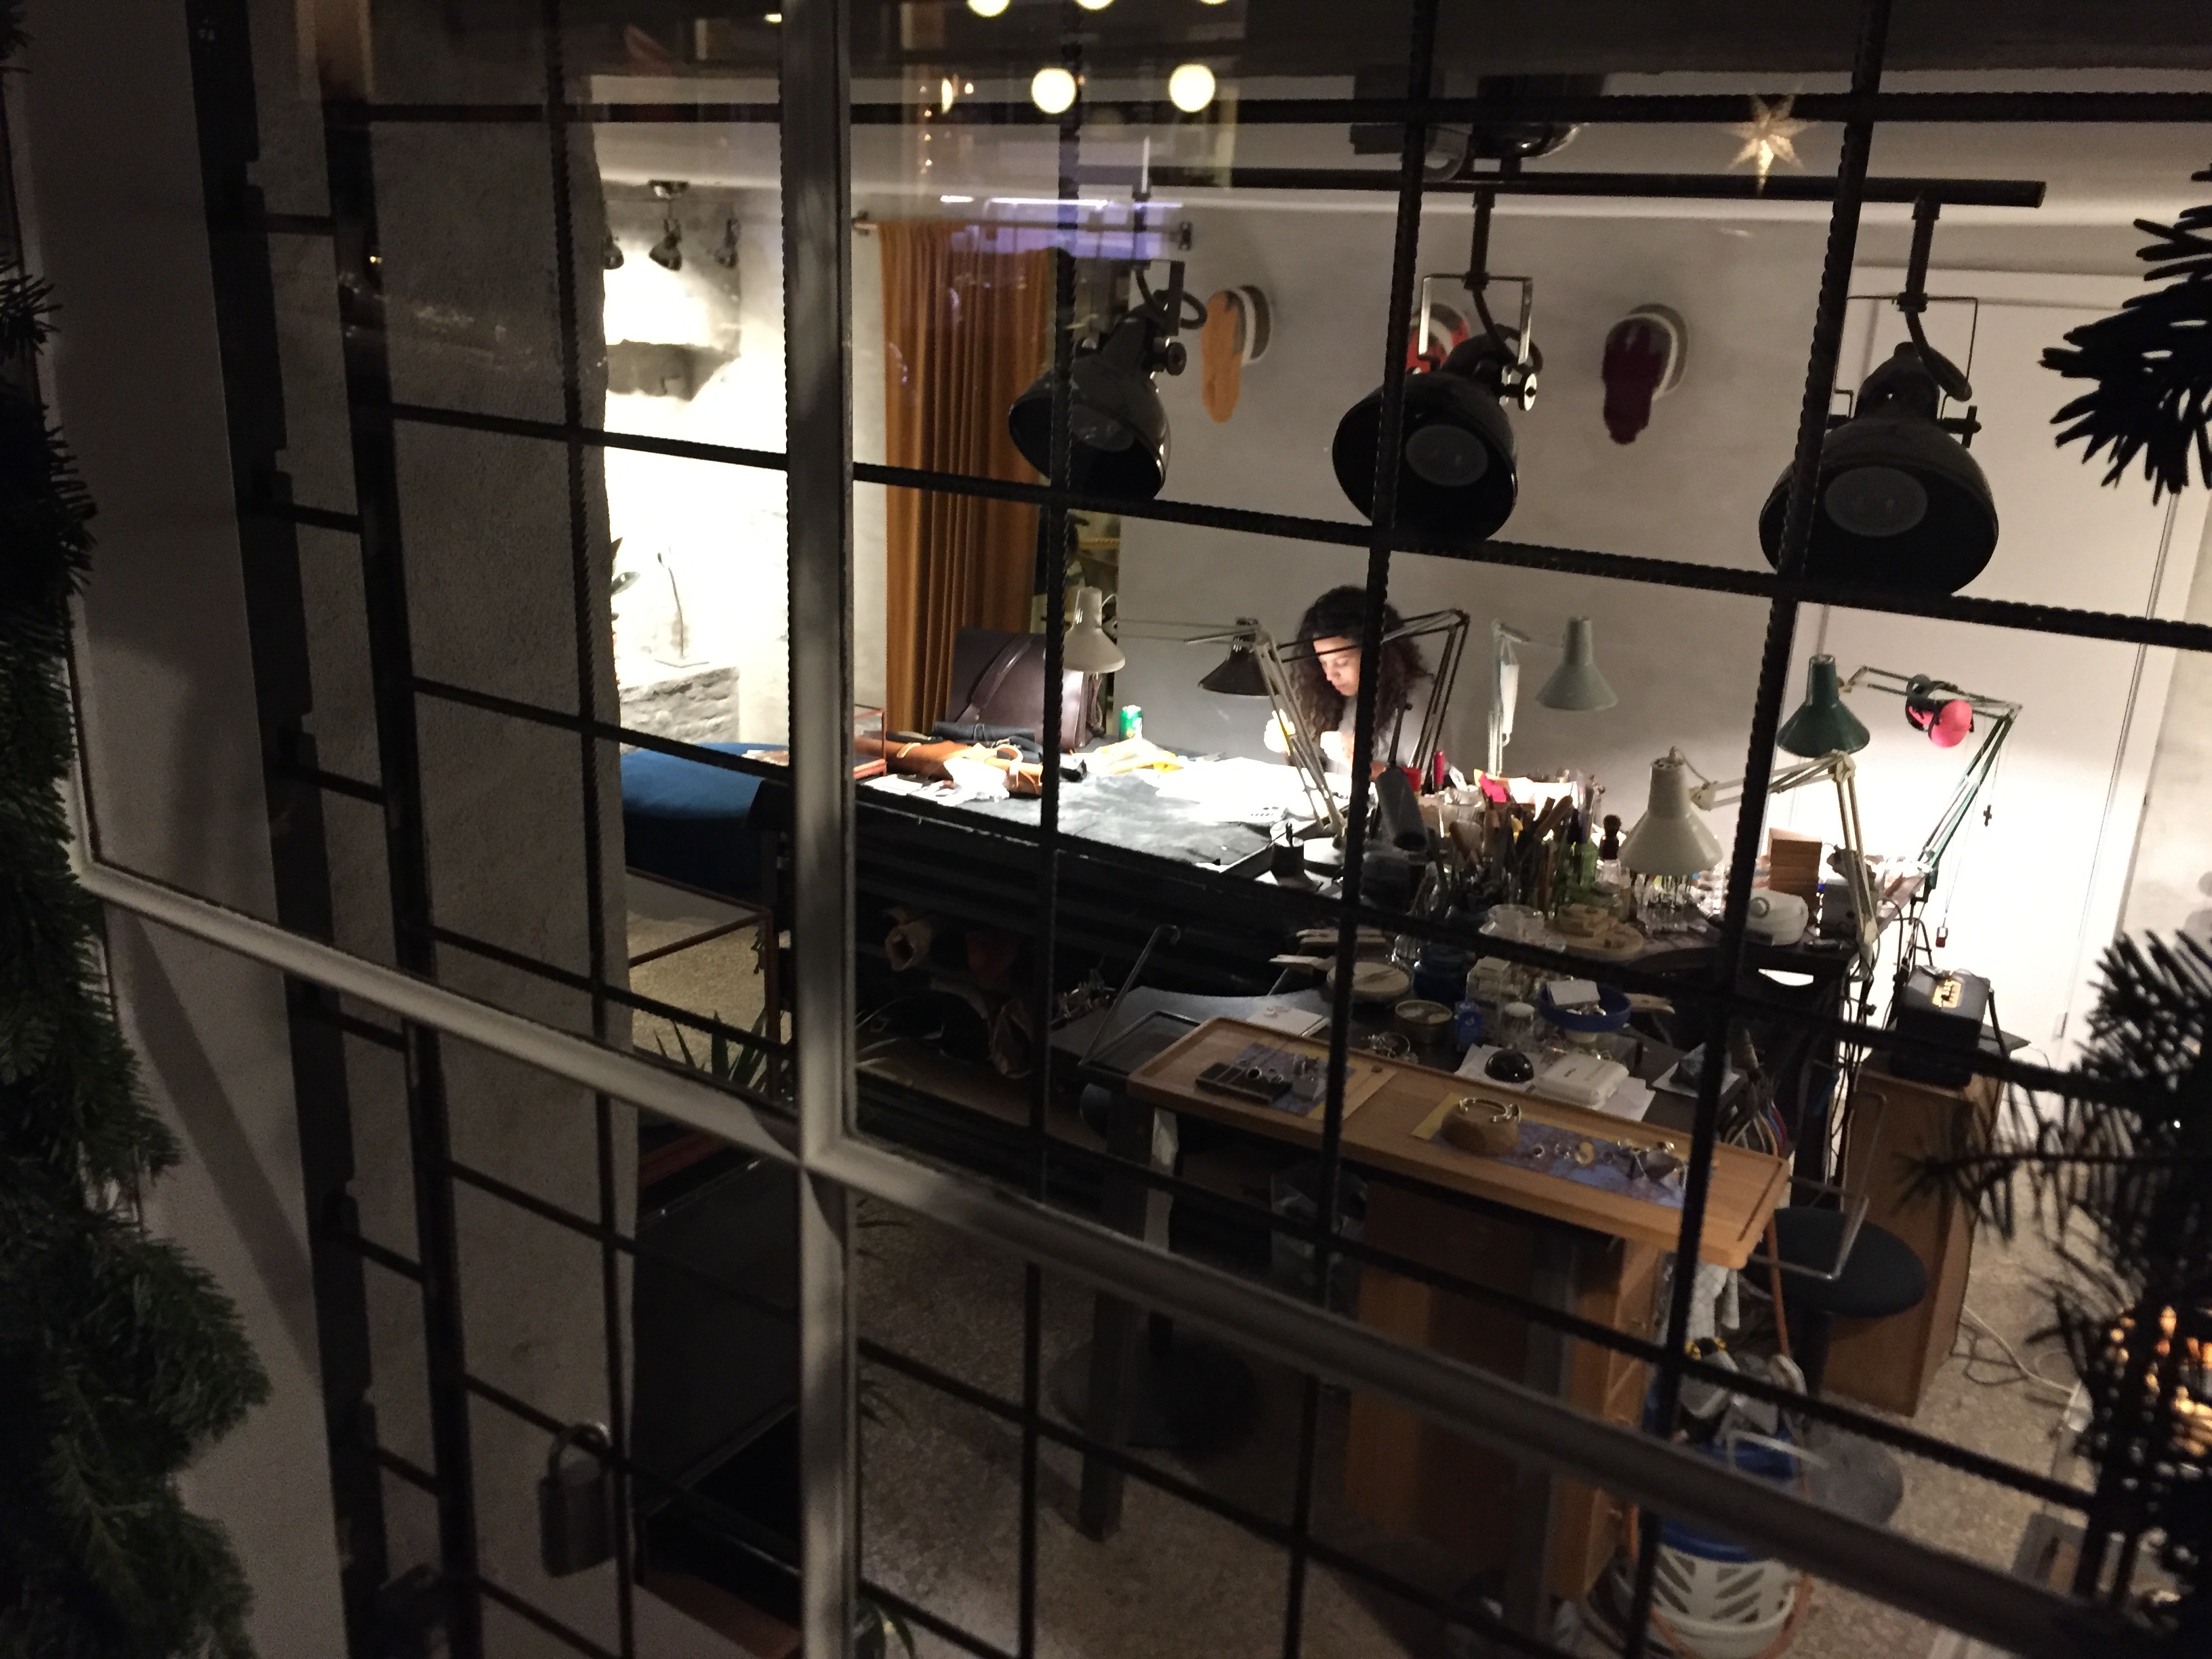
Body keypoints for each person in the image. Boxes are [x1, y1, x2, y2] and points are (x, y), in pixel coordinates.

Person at [1264, 585, 1431, 775]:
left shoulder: (1413, 705)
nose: (1330, 675)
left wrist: (1365, 765)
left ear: (1376, 655)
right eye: (1323, 662)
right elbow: (1331, 775)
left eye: (1341, 663)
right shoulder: (1350, 697)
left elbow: (1435, 785)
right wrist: (1292, 749)